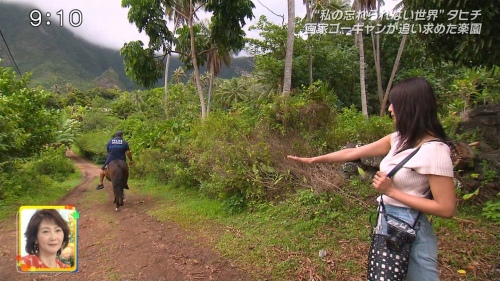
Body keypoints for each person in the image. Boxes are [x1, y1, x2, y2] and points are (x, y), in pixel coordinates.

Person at [287, 77, 456, 280]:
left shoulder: (435, 151)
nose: (391, 109)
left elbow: (446, 208)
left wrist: (392, 192)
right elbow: (353, 153)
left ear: (411, 106)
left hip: (411, 231)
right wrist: (314, 159)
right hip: (386, 221)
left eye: (395, 104)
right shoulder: (398, 139)